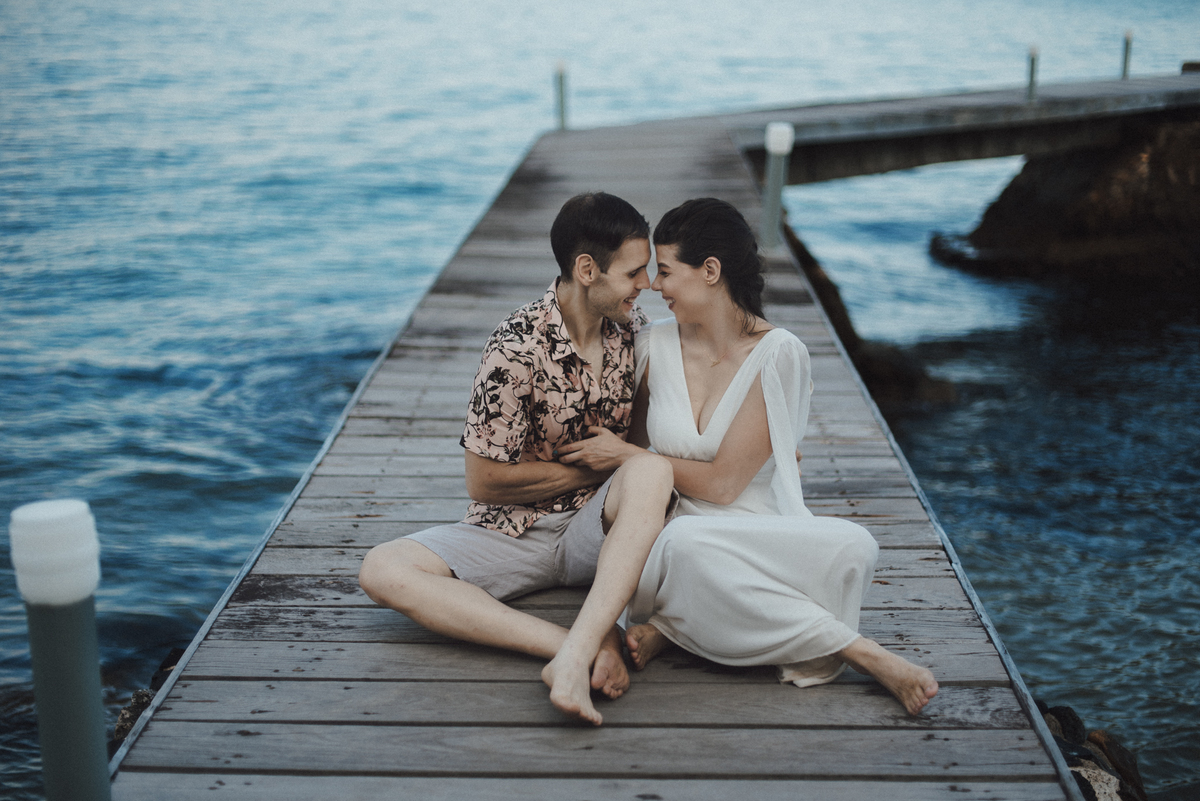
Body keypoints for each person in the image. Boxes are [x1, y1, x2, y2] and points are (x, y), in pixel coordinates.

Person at [557, 198, 939, 715]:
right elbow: (624, 436)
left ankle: (673, 628)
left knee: (856, 546)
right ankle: (860, 652)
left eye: (665, 271)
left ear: (710, 271)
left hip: (753, 527)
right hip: (674, 531)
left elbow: (723, 487)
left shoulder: (779, 354)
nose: (653, 285)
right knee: (688, 545)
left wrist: (625, 453)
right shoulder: (652, 345)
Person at [358, 192, 676, 726]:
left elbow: (642, 449)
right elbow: (483, 483)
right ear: (586, 270)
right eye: (634, 272)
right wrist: (592, 466)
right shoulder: (514, 347)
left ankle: (584, 645)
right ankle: (577, 645)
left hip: (596, 530)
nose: (646, 285)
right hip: (512, 532)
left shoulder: (633, 331)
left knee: (652, 470)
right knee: (382, 569)